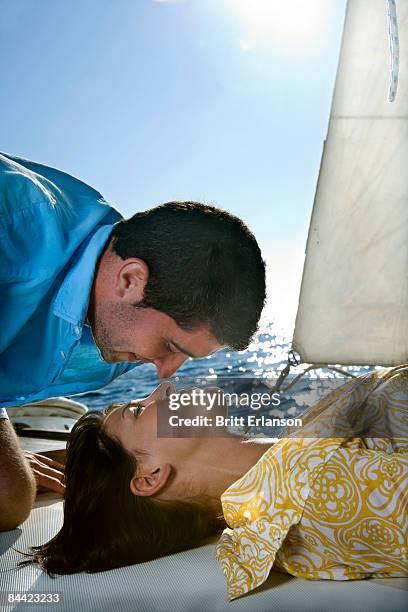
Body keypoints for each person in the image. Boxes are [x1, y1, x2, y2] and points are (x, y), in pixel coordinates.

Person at [0, 152, 266, 530]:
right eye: (172, 346)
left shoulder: (121, 343)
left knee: (7, 495)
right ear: (130, 280)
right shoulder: (11, 225)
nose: (165, 373)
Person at [25, 369, 408, 599]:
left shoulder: (291, 465)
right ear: (151, 476)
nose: (165, 388)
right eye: (138, 410)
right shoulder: (320, 494)